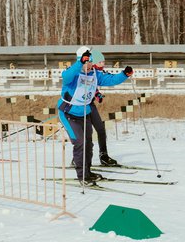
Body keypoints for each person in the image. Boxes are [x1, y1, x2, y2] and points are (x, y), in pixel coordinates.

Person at [57, 46, 133, 185]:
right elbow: (66, 76)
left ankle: (88, 172)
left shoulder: (95, 75)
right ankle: (82, 177)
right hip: (68, 114)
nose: (89, 65)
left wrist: (124, 75)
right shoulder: (72, 74)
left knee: (88, 144)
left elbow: (111, 80)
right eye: (86, 62)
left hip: (84, 113)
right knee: (79, 143)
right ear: (81, 61)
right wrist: (80, 63)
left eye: (91, 62)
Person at [89, 49, 118, 166]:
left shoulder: (98, 73)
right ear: (94, 62)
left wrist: (97, 95)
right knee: (85, 134)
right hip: (80, 106)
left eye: (104, 62)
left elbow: (94, 88)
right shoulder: (89, 71)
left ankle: (103, 155)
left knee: (101, 129)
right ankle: (79, 158)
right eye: (100, 62)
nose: (103, 64)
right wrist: (96, 94)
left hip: (91, 105)